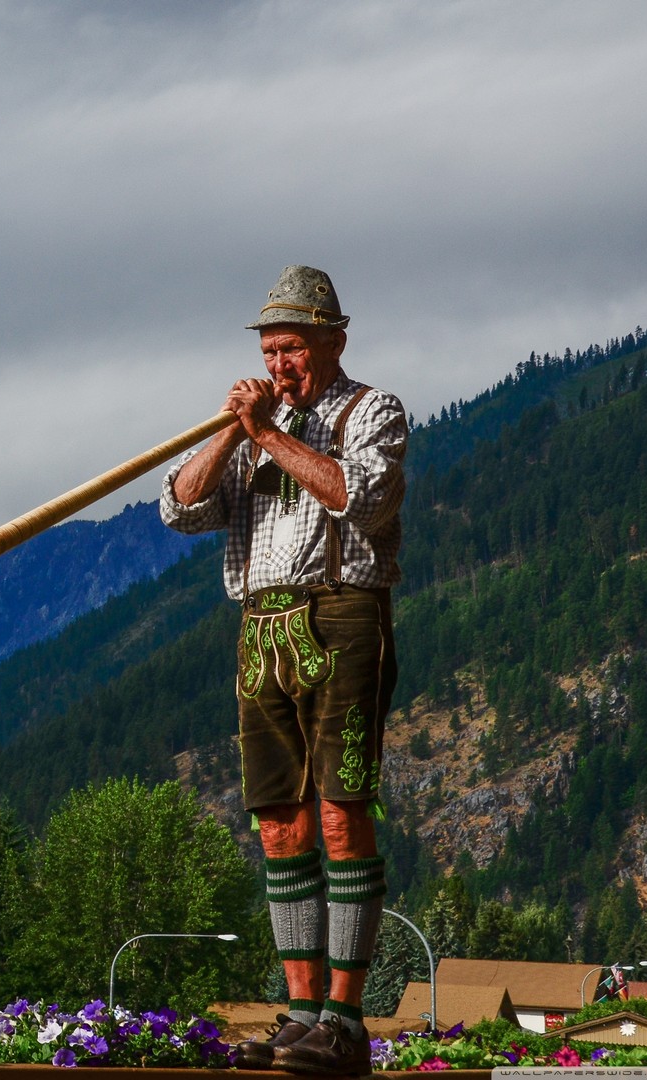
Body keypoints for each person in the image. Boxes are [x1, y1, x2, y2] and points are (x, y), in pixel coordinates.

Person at [160, 266, 407, 1076]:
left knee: (341, 816)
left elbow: (360, 498)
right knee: (280, 825)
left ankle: (345, 1021)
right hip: (259, 625)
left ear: (334, 341)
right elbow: (181, 507)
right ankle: (301, 1015)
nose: (281, 364)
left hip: (342, 616)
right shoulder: (250, 425)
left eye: (294, 348)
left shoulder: (373, 410)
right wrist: (234, 431)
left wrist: (268, 434)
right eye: (271, 349)